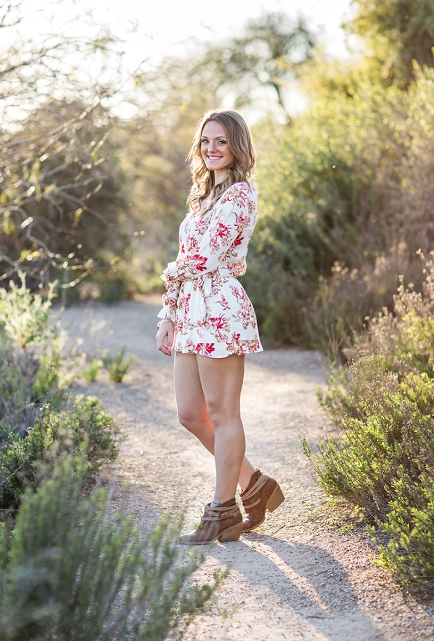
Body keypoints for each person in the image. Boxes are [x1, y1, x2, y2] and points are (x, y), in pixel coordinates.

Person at [155, 109, 285, 545]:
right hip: (192, 312)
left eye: (221, 141)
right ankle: (256, 485)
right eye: (206, 140)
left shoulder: (240, 197)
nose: (212, 148)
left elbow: (205, 259)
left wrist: (171, 273)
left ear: (237, 147)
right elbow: (188, 261)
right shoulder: (201, 197)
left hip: (220, 310)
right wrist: (169, 315)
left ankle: (222, 510)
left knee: (224, 412)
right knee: (191, 414)